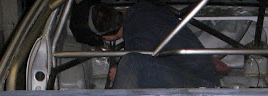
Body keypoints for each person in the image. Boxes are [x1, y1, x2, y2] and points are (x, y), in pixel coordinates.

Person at [85, 0, 221, 88]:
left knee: (131, 63)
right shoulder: (144, 9)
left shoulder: (136, 39)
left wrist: (120, 74)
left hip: (201, 84)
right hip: (199, 75)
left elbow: (147, 79)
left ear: (107, 37)